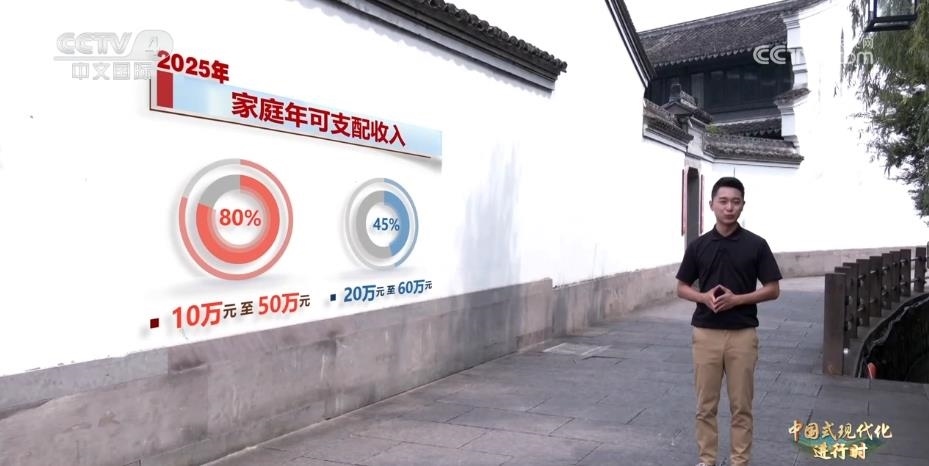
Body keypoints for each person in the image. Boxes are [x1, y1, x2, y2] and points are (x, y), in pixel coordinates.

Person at [675, 176, 782, 466]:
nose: (729, 207)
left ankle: (739, 461)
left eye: (735, 202)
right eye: (723, 201)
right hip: (705, 333)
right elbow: (681, 287)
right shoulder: (698, 246)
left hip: (742, 334)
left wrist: (738, 300)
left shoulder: (756, 245)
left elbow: (773, 289)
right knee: (705, 406)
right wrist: (703, 297)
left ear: (743, 205)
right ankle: (706, 460)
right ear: (711, 204)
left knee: (741, 407)